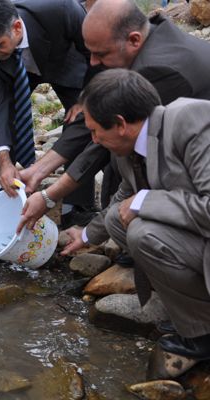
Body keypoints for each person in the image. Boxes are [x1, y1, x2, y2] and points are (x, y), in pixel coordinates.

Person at [63, 68, 210, 379]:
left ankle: (201, 333)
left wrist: (146, 201)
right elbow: (123, 200)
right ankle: (191, 316)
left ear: (120, 124)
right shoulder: (127, 147)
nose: (93, 139)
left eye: (94, 131)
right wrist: (88, 235)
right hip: (198, 236)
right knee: (121, 218)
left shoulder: (191, 120)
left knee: (142, 230)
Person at [17, 0, 210, 233]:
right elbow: (97, 116)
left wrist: (49, 196)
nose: (92, 63)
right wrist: (39, 170)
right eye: (90, 53)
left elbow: (103, 140)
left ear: (134, 40)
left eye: (100, 54)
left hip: (200, 167)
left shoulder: (159, 70)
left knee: (119, 152)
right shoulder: (147, 37)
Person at [0, 0, 98, 223]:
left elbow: (94, 52)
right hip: (17, 71)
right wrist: (4, 161)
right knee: (6, 122)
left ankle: (77, 206)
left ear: (17, 28)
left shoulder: (62, 9)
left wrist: (86, 98)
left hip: (65, 64)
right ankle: (9, 200)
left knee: (82, 120)